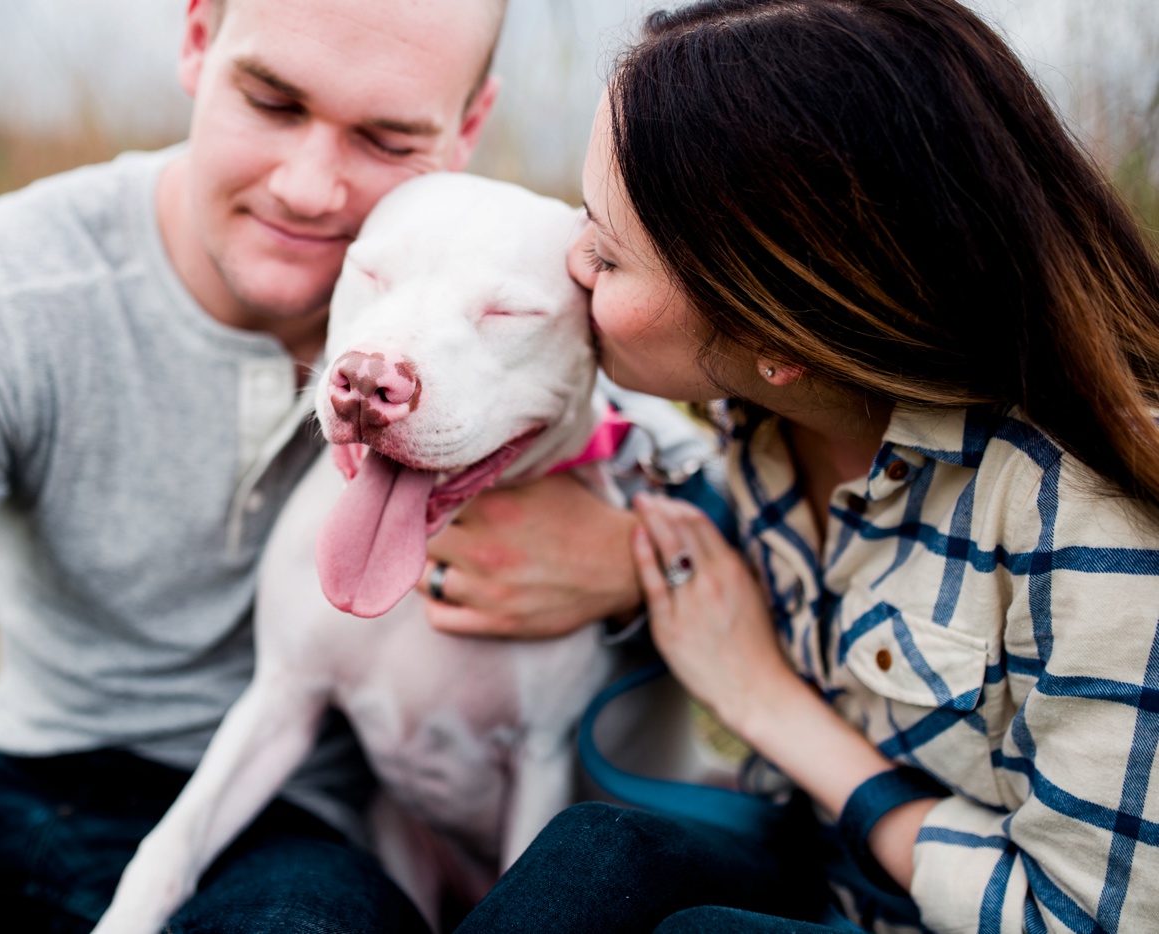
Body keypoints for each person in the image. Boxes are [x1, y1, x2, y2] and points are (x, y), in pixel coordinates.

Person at [0, 0, 650, 931]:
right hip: (14, 781)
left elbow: (645, 424)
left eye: (387, 137)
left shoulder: (494, 289)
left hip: (293, 836)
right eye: (272, 100)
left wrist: (637, 554)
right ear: (195, 41)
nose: (309, 189)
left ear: (467, 128)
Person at [448, 0, 1159, 931]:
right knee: (596, 856)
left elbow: (1081, 918)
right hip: (815, 876)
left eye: (610, 253)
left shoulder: (1091, 517)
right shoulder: (768, 419)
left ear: (779, 332)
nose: (572, 258)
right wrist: (633, 559)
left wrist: (764, 701)